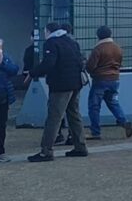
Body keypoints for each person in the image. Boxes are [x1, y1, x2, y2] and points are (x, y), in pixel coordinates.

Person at [27, 22, 88, 162]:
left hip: (60, 85)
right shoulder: (71, 41)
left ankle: (46, 151)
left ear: (48, 31)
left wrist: (33, 72)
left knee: (54, 118)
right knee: (74, 115)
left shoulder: (51, 43)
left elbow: (49, 63)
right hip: (76, 83)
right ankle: (80, 146)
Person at [86, 26, 132, 140]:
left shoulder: (98, 49)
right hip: (115, 79)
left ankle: (95, 132)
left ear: (98, 36)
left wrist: (88, 67)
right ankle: (124, 121)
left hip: (100, 80)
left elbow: (90, 66)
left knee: (94, 106)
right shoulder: (118, 48)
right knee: (113, 103)